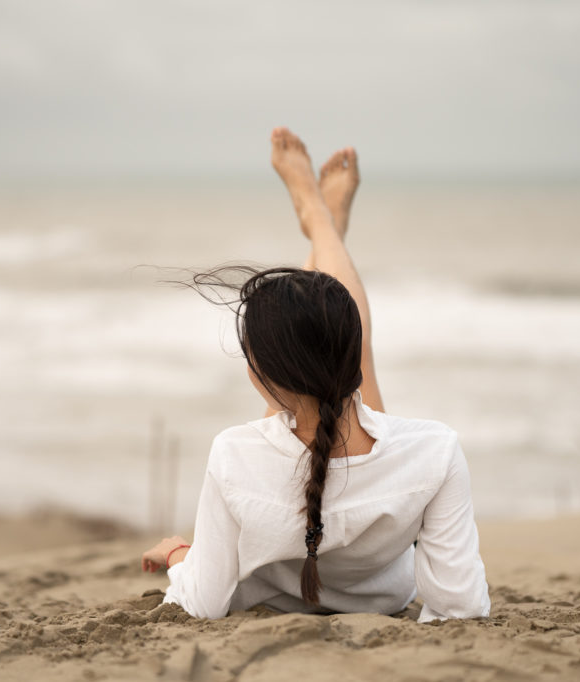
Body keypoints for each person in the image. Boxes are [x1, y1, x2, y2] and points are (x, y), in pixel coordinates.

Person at [140, 127, 490, 623]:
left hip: (270, 598)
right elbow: (462, 607)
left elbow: (202, 602)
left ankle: (319, 219)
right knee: (323, 352)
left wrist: (179, 553)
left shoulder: (234, 455)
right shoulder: (436, 452)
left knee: (292, 400)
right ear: (353, 355)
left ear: (260, 374)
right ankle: (323, 225)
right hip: (384, 600)